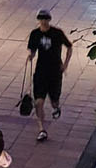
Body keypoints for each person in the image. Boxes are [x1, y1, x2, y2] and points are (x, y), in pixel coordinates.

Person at [28, 10, 72, 141]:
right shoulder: (35, 34)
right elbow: (33, 49)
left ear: (49, 20)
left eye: (45, 19)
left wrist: (65, 64)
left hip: (54, 72)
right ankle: (41, 129)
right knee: (38, 102)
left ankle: (56, 107)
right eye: (41, 19)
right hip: (41, 71)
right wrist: (31, 55)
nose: (43, 21)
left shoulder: (57, 33)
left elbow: (69, 46)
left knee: (54, 101)